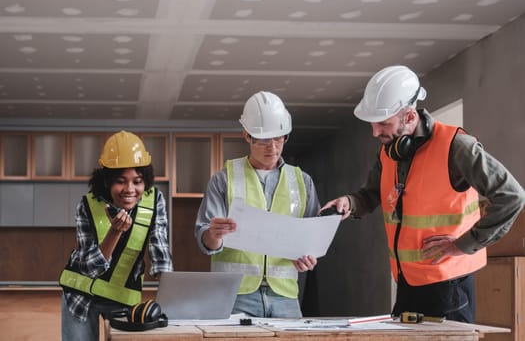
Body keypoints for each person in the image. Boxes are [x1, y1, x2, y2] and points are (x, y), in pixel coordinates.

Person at [322, 65, 525, 323]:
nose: (375, 133)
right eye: (373, 125)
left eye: (383, 123)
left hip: (448, 288)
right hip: (407, 284)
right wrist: (350, 203)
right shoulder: (389, 152)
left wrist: (463, 244)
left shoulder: (456, 146)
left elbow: (512, 196)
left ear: (408, 117)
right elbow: (371, 194)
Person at [195, 91, 321, 318]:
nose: (272, 147)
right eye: (264, 139)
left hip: (285, 298)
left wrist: (308, 257)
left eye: (279, 138)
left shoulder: (303, 182)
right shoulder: (224, 179)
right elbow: (206, 241)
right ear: (247, 135)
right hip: (234, 296)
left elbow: (312, 238)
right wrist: (214, 234)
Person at [59, 131, 173, 340]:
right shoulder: (87, 205)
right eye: (121, 181)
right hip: (81, 295)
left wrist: (171, 299)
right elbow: (89, 267)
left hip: (123, 296)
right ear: (107, 181)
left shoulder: (154, 200)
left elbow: (161, 253)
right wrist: (115, 232)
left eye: (137, 181)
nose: (130, 189)